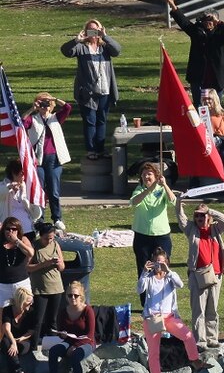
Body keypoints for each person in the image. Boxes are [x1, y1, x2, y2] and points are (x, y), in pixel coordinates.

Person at [137, 249, 208, 373]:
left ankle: (195, 361)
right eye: (156, 261)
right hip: (153, 319)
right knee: (154, 352)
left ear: (167, 262)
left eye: (162, 261)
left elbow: (180, 284)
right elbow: (139, 289)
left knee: (188, 336)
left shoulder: (170, 277)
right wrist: (144, 272)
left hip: (169, 317)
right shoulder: (149, 277)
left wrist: (168, 271)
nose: (159, 264)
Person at [61, 18, 121, 160]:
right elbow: (65, 51)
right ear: (86, 31)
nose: (93, 33)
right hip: (88, 93)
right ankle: (91, 150)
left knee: (102, 121)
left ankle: (100, 149)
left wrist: (105, 36)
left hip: (105, 89)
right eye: (90, 30)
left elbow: (117, 50)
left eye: (96, 30)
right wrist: (76, 40)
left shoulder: (105, 47)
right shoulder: (81, 47)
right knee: (90, 121)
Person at [177, 201, 224, 350]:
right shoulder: (191, 229)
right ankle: (200, 341)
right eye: (197, 215)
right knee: (198, 310)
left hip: (216, 275)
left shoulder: (216, 229)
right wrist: (179, 203)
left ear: (209, 216)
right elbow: (181, 219)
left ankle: (212, 338)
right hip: (198, 275)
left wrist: (210, 210)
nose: (199, 218)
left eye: (202, 215)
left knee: (212, 310)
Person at [166, 0, 224, 105]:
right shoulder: (196, 32)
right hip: (199, 76)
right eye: (206, 20)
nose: (208, 22)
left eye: (211, 20)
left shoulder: (220, 34)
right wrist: (173, 5)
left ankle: (214, 122)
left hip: (217, 77)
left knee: (216, 105)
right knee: (199, 106)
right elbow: (184, 22)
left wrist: (219, 22)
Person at [23, 92, 72, 230]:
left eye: (47, 104)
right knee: (40, 191)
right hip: (38, 160)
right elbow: (21, 123)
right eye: (42, 104)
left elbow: (68, 108)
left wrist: (54, 99)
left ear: (51, 106)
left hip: (54, 159)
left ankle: (57, 218)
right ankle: (39, 219)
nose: (45, 106)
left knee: (54, 191)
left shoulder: (56, 118)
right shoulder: (33, 119)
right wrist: (32, 109)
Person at [130, 163, 176, 302]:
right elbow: (134, 202)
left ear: (156, 176)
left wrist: (165, 185)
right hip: (142, 236)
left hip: (161, 236)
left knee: (162, 267)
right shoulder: (139, 190)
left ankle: (164, 298)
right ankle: (146, 302)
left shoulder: (162, 190)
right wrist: (149, 190)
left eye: (149, 174)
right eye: (144, 174)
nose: (146, 177)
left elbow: (173, 201)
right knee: (144, 268)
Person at [42, 282, 97, 373]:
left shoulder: (87, 310)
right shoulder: (63, 312)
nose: (73, 298)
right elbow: (61, 331)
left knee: (75, 356)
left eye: (76, 295)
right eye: (70, 295)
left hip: (86, 342)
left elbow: (90, 334)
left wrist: (75, 346)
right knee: (53, 351)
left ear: (81, 296)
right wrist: (61, 334)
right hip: (69, 340)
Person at [27, 223, 64, 354]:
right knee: (38, 320)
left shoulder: (55, 245)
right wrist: (44, 264)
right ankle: (33, 349)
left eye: (51, 238)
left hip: (56, 287)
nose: (49, 241)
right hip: (40, 289)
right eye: (46, 238)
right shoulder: (34, 246)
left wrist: (59, 263)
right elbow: (27, 267)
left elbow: (63, 267)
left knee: (52, 320)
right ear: (40, 236)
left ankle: (52, 348)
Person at [0, 287, 34, 373]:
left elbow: (32, 331)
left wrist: (22, 338)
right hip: (10, 340)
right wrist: (13, 342)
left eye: (31, 302)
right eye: (28, 302)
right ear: (21, 301)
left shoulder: (31, 311)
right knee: (6, 343)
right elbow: (6, 328)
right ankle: (17, 370)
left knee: (9, 350)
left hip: (23, 340)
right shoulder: (8, 310)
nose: (31, 304)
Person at [201, 91, 224, 183]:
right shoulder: (201, 116)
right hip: (206, 143)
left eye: (209, 99)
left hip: (222, 143)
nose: (207, 101)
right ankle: (194, 184)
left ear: (215, 100)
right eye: (204, 99)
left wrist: (219, 147)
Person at [1, 160, 42, 235]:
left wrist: (34, 204)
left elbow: (36, 215)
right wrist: (9, 188)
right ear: (14, 173)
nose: (24, 176)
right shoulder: (3, 186)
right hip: (11, 232)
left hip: (28, 229)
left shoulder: (27, 187)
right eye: (22, 173)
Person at [0, 216, 33, 309]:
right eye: (8, 229)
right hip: (3, 285)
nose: (10, 231)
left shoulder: (23, 239)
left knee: (24, 309)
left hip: (21, 283)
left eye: (14, 229)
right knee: (4, 315)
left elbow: (30, 253)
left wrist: (17, 241)